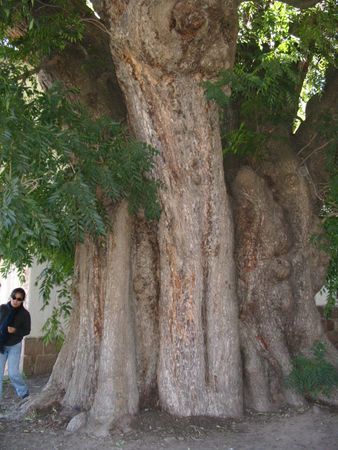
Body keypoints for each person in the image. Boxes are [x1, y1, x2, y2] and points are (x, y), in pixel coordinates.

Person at [0, 288, 31, 402]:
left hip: (14, 345)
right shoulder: (2, 308)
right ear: (11, 297)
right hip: (1, 344)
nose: (15, 301)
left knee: (13, 373)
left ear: (22, 300)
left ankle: (24, 393)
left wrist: (15, 330)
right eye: (14, 297)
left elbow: (27, 330)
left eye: (19, 299)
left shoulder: (25, 314)